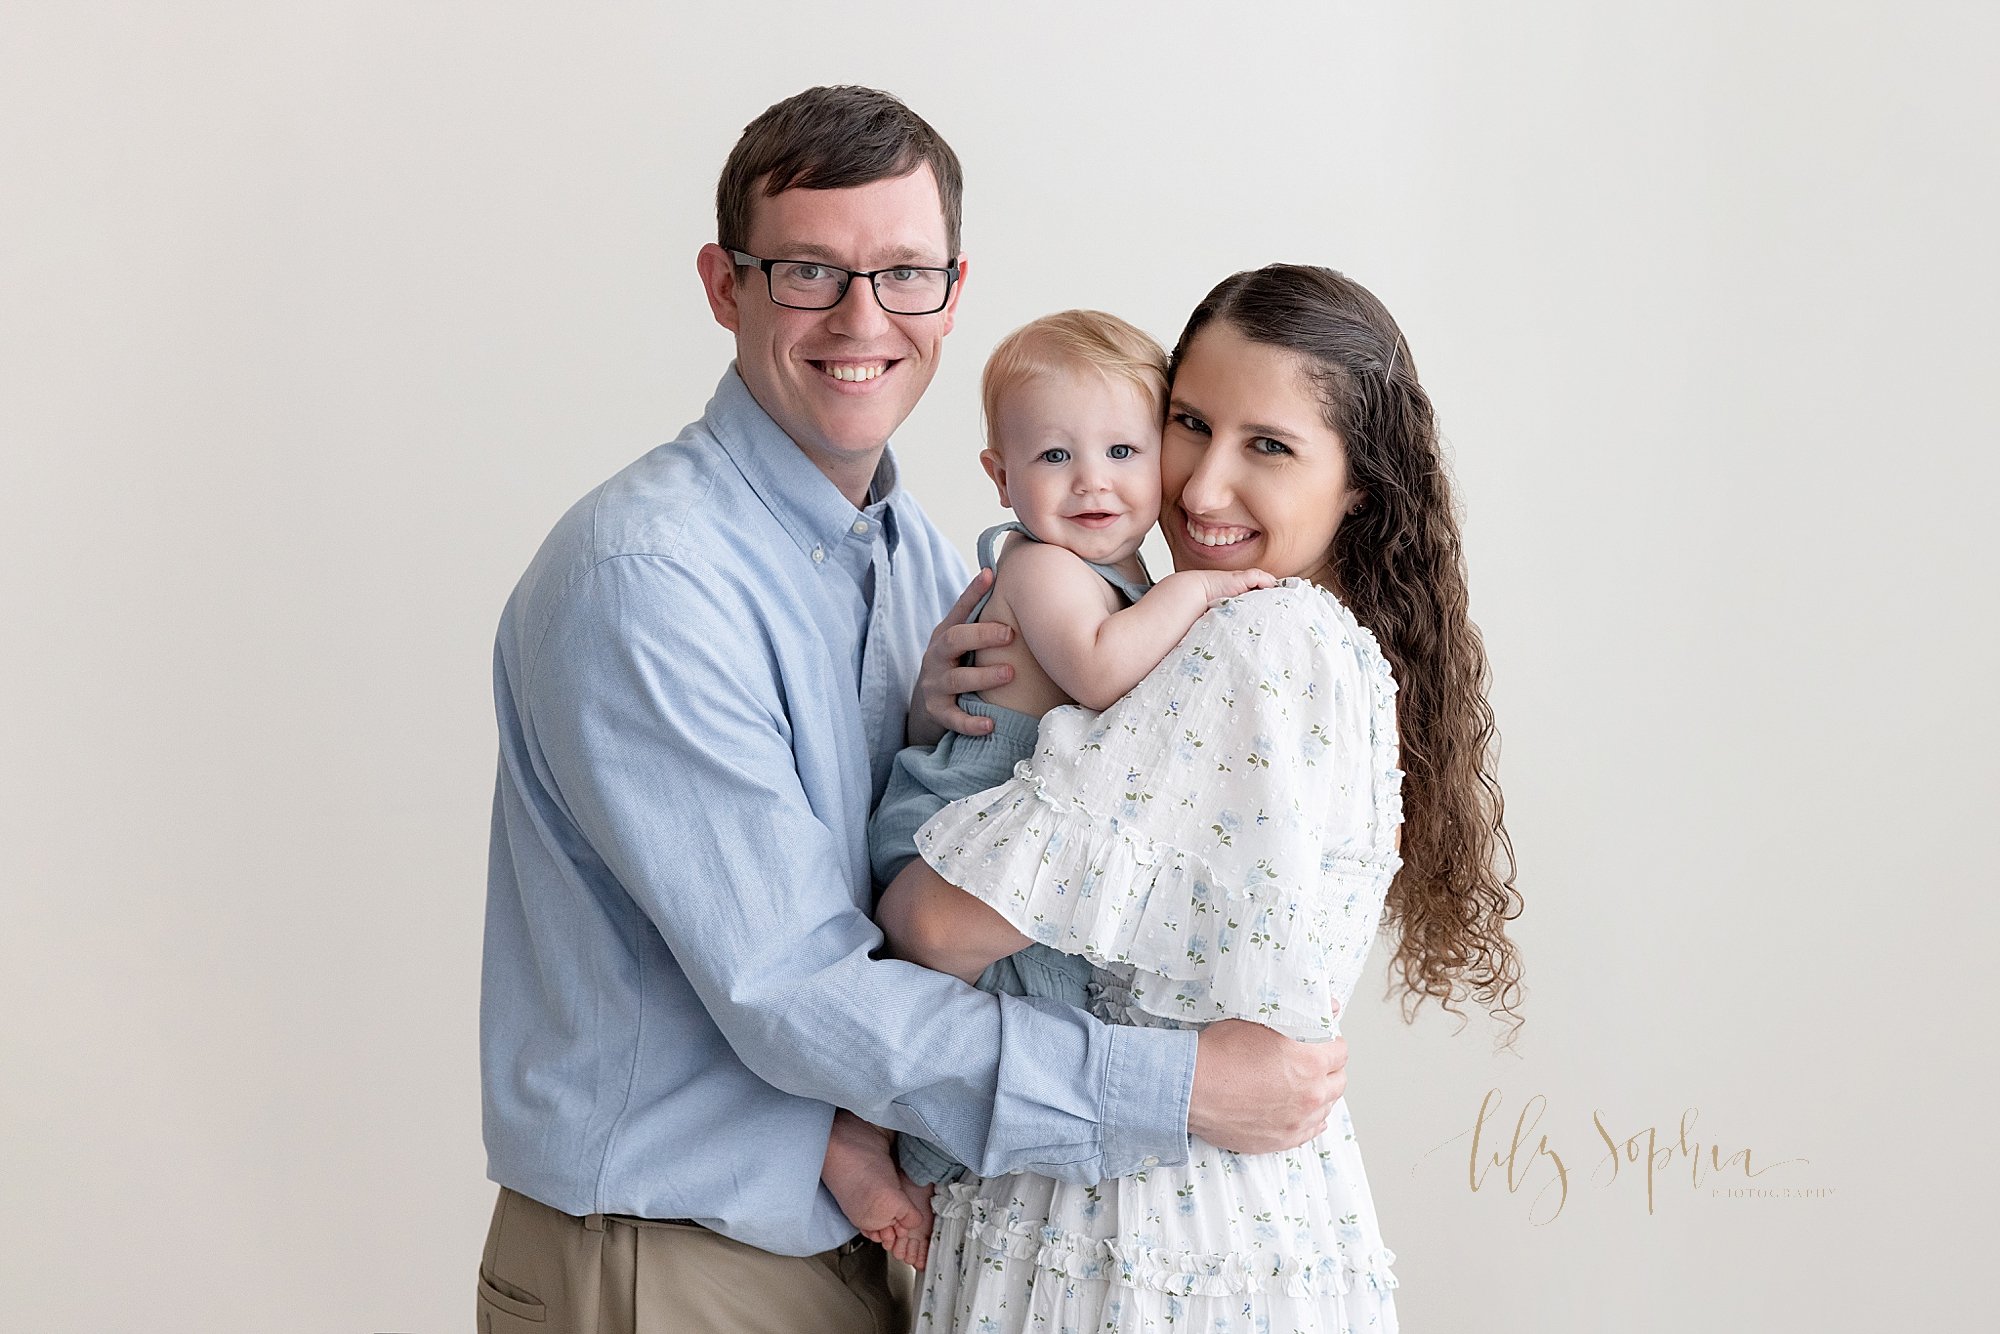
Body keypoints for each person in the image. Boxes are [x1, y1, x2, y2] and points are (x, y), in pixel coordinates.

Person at [477, 88, 1358, 1334]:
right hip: (674, 1260)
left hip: (885, 1233)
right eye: (806, 272)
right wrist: (1174, 1087)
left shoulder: (928, 559)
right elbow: (797, 991)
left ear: (952, 293)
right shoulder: (647, 578)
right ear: (723, 285)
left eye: (903, 273)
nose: (861, 319)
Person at [877, 264, 1526, 1333]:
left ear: (1357, 481)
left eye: (1266, 445)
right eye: (1187, 423)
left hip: (1137, 1235)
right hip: (1190, 1203)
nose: (1199, 485)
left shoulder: (1252, 640)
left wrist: (902, 867)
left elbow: (938, 924)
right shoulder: (1301, 641)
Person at [856, 310, 1276, 1230]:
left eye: (1123, 449)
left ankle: (922, 1154)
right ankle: (870, 1143)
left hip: (1012, 823)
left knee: (1031, 999)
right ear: (1000, 476)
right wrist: (1196, 591)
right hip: (958, 814)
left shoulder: (1118, 572)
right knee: (965, 1004)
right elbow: (1095, 668)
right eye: (1053, 458)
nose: (1092, 480)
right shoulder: (1046, 566)